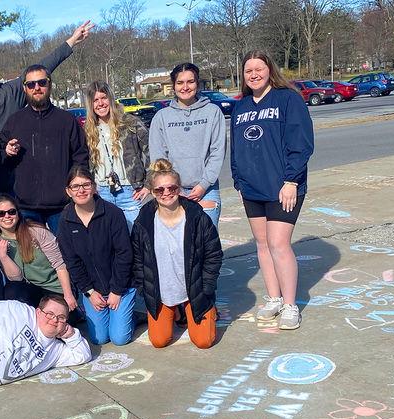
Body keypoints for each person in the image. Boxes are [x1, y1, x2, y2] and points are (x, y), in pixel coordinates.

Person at [231, 50, 314, 330]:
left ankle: (291, 305)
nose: (254, 74)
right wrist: (238, 180)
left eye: (259, 68)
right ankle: (274, 298)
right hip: (252, 188)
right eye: (248, 70)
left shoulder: (287, 98)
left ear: (270, 70)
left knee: (279, 244)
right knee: (263, 245)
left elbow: (301, 143)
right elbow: (237, 148)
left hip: (283, 188)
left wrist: (291, 180)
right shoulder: (241, 106)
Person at [131, 159, 223, 349]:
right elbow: (137, 258)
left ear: (179, 188)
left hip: (194, 290)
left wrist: (206, 288)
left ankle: (206, 309)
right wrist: (144, 287)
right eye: (159, 190)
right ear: (153, 192)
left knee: (203, 341)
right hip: (162, 292)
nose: (166, 193)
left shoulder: (197, 218)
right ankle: (177, 312)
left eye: (171, 188)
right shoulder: (144, 220)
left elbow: (213, 255)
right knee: (159, 341)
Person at [0, 65, 90, 233]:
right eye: (31, 84)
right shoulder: (14, 122)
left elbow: (81, 157)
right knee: (32, 258)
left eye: (41, 82)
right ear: (25, 88)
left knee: (66, 254)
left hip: (61, 205)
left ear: (49, 84)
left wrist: (76, 189)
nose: (37, 88)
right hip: (26, 207)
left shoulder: (66, 120)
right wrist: (7, 152)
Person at [57, 167, 135, 346]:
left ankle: (129, 313)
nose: (81, 190)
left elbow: (124, 254)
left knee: (119, 339)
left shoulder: (113, 213)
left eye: (85, 184)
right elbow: (72, 261)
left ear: (94, 187)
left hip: (120, 286)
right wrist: (90, 292)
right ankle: (111, 313)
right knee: (99, 339)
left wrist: (116, 291)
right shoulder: (66, 220)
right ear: (68, 191)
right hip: (94, 290)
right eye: (75, 186)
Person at [149, 63, 226, 228]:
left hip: (206, 191)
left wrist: (203, 185)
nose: (185, 87)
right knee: (179, 247)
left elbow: (217, 152)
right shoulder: (161, 117)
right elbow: (158, 157)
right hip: (173, 191)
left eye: (190, 82)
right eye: (180, 82)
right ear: (173, 86)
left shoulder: (212, 112)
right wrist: (173, 187)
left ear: (197, 84)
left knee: (207, 248)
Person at [0, 194, 77, 310]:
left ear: (18, 213)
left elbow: (60, 265)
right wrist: (3, 256)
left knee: (54, 318)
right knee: (12, 290)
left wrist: (68, 295)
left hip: (57, 289)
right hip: (34, 290)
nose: (7, 216)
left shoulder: (36, 232)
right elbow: (17, 279)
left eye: (11, 212)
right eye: (1, 213)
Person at [83, 80, 150, 229]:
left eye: (103, 98)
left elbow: (150, 152)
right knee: (110, 243)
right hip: (102, 193)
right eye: (95, 100)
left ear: (111, 99)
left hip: (130, 192)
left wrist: (148, 185)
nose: (100, 103)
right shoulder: (88, 130)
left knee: (135, 239)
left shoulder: (131, 123)